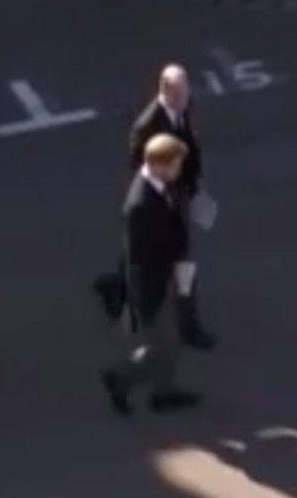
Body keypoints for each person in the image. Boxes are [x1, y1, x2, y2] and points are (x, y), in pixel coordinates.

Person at [93, 64, 216, 350]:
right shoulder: (147, 126)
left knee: (179, 262)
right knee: (155, 261)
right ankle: (178, 323)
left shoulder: (180, 109)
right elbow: (141, 168)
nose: (188, 98)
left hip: (178, 196)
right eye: (183, 93)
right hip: (162, 202)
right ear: (168, 92)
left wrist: (195, 183)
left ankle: (185, 320)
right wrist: (166, 192)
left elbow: (188, 145)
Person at [99, 133, 202, 416]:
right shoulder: (142, 204)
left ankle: (164, 391)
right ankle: (123, 379)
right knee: (163, 345)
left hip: (158, 278)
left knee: (169, 340)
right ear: (161, 165)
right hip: (151, 286)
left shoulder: (155, 186)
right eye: (177, 165)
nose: (179, 170)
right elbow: (147, 254)